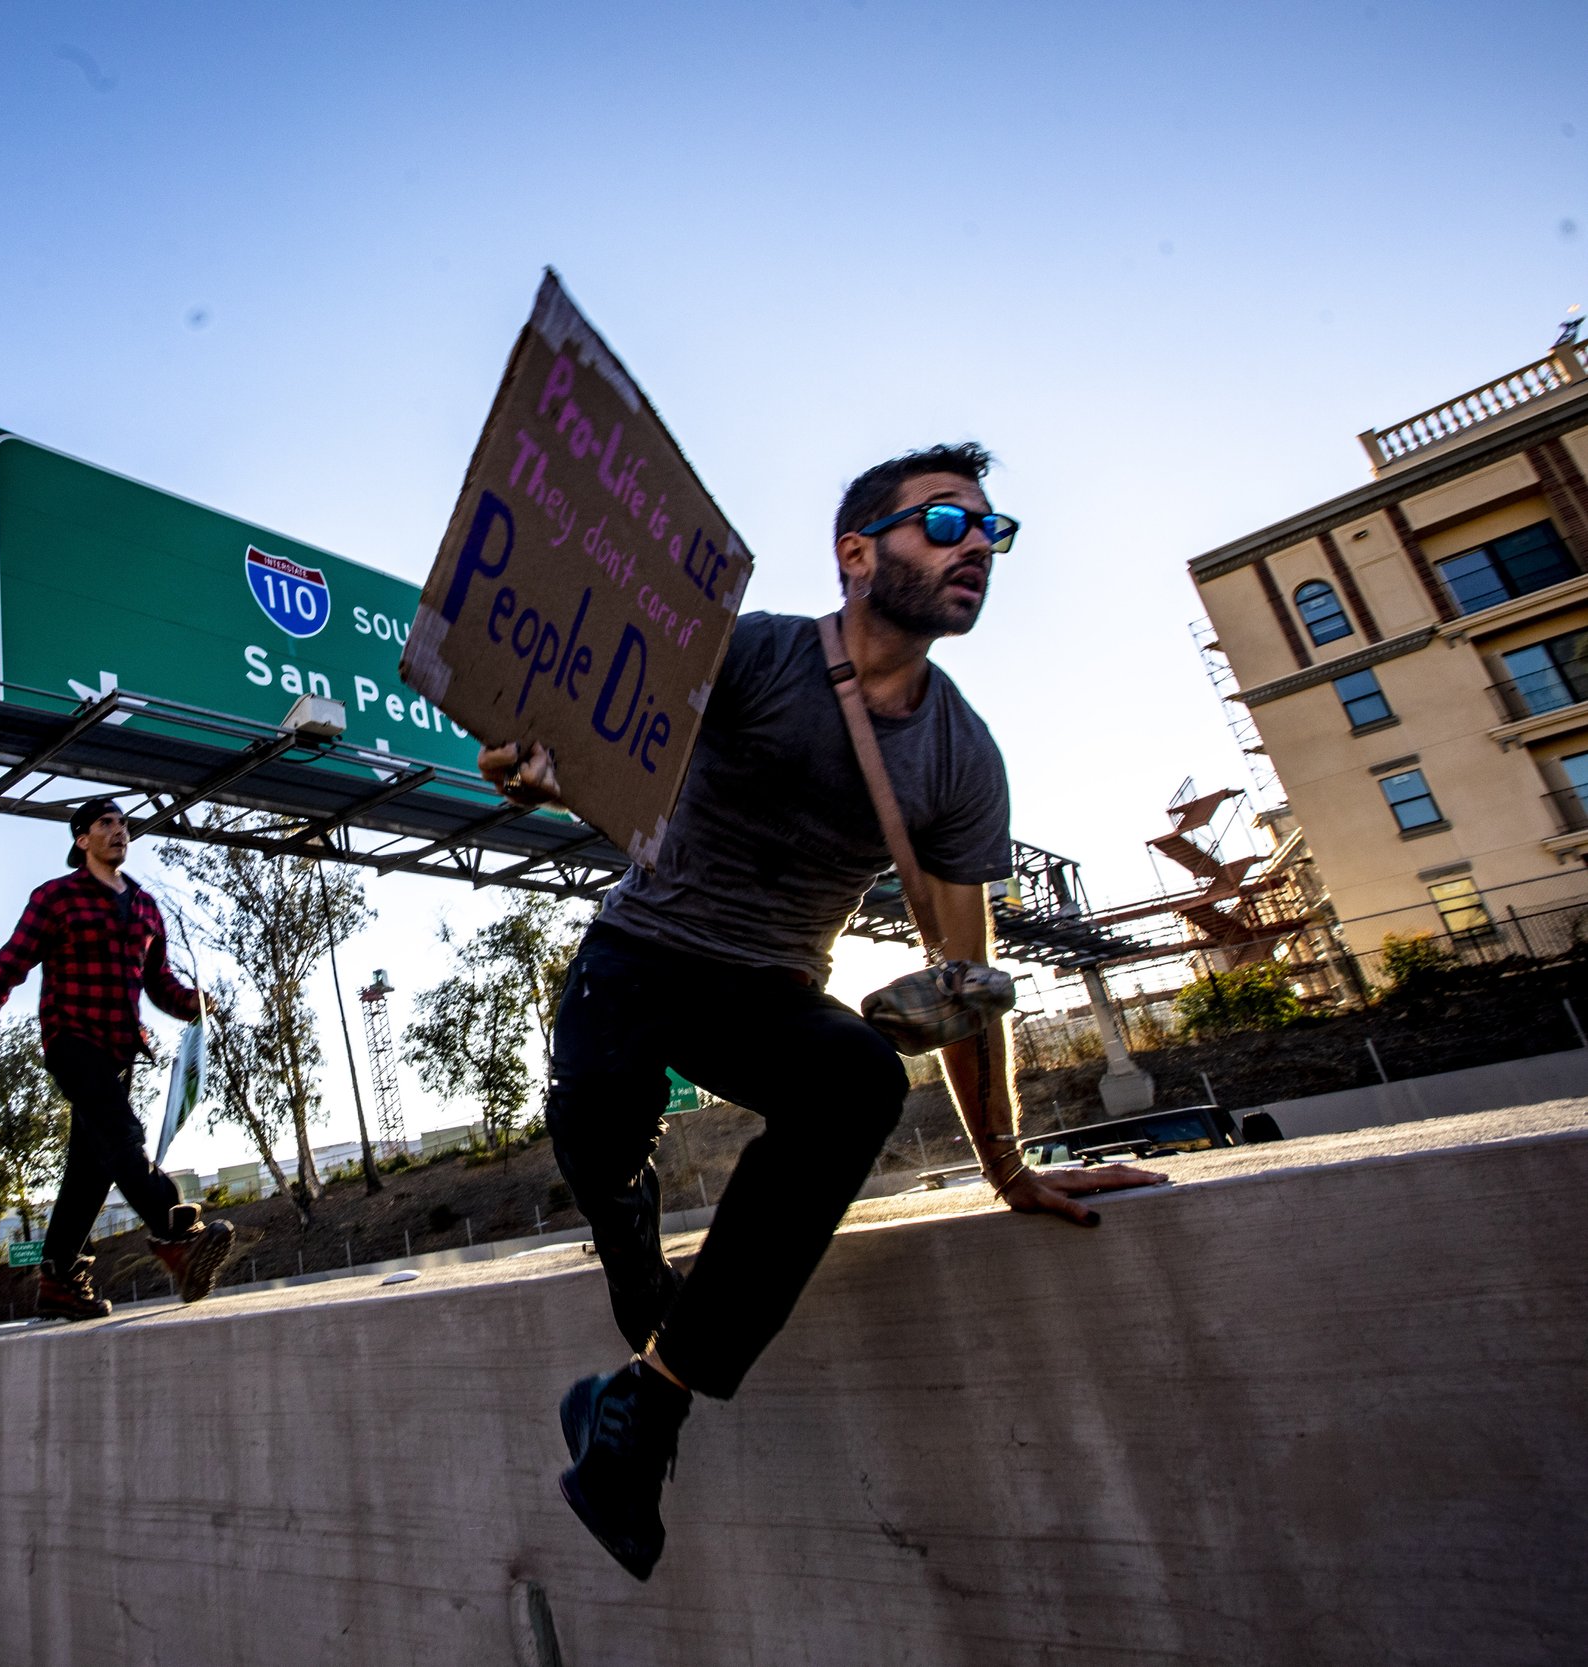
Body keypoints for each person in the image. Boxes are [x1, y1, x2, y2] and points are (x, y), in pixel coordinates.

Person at [482, 444, 1168, 1580]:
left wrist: (1005, 1165)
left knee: (859, 1077)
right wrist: (537, 764)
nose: (976, 551)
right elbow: (599, 741)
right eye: (945, 523)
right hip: (641, 950)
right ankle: (625, 1225)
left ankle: (638, 1411)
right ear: (857, 553)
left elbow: (963, 973)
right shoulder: (755, 655)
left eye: (993, 533)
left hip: (764, 987)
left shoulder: (958, 755)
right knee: (599, 1117)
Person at [0, 797, 234, 1320]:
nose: (118, 831)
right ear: (82, 839)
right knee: (122, 1137)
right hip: (71, 1039)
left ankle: (60, 1278)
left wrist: (190, 1002)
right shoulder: (56, 898)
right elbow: (9, 966)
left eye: (123, 823)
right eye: (106, 823)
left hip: (121, 1050)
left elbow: (157, 982)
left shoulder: (147, 906)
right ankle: (177, 1233)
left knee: (90, 1169)